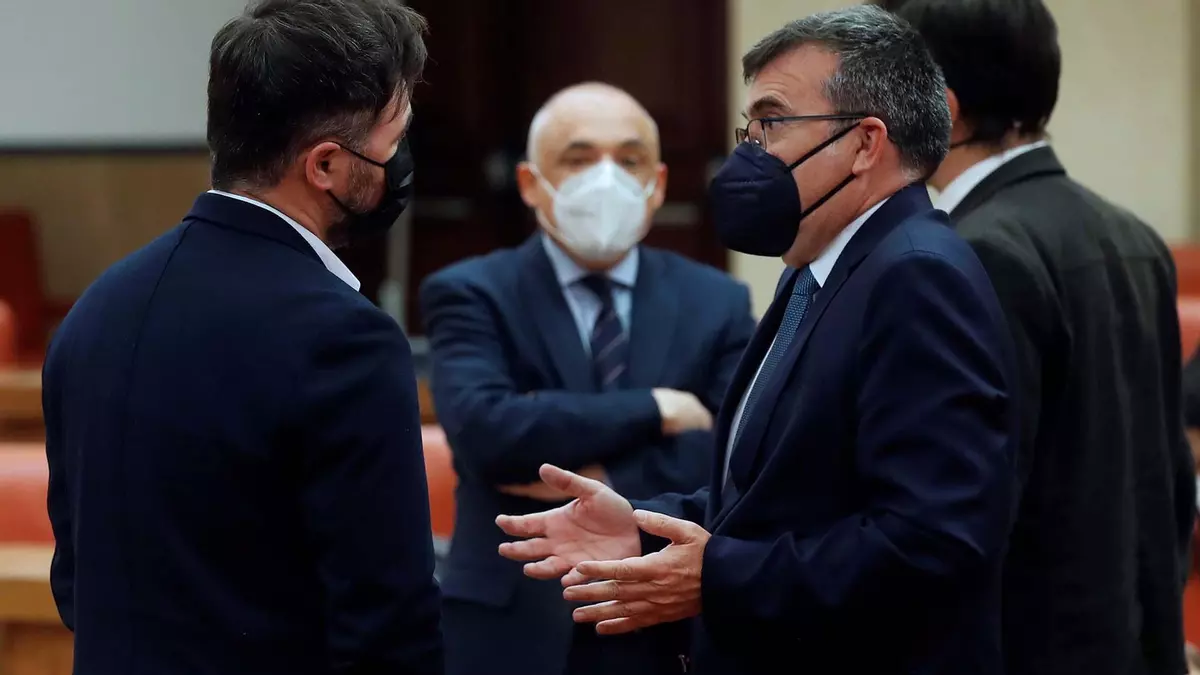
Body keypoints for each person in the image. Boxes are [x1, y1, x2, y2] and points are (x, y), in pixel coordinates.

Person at [496, 7, 1019, 674]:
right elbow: (780, 495)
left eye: (771, 124)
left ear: (864, 144)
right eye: (747, 129)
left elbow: (930, 541)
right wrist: (642, 523)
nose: (749, 154)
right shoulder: (817, 268)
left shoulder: (915, 275)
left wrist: (717, 575)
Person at [41, 2, 443, 674]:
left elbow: (75, 582)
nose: (399, 161)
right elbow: (388, 624)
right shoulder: (346, 339)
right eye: (393, 140)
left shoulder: (95, 308)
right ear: (325, 165)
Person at [874, 1, 1196, 673]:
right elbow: (1169, 476)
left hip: (1030, 645)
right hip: (1135, 637)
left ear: (944, 110)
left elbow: (969, 512)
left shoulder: (969, 252)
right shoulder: (1133, 235)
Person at [420, 82, 756, 675]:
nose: (607, 179)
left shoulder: (717, 300)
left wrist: (610, 486)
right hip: (512, 621)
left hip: (660, 617)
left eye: (629, 160)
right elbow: (486, 433)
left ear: (657, 184)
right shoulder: (471, 292)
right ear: (530, 183)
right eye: (578, 160)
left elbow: (737, 456)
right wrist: (659, 409)